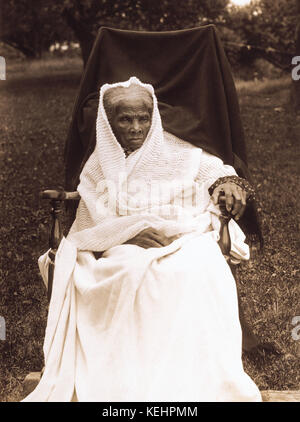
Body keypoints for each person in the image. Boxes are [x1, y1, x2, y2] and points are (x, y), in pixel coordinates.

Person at [23, 77, 262, 402]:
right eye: (125, 119)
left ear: (153, 117)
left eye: (143, 117)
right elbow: (92, 218)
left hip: (182, 233)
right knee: (125, 271)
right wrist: (130, 232)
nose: (136, 127)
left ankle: (185, 373)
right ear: (109, 122)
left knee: (193, 268)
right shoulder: (99, 163)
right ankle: (127, 376)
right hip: (118, 243)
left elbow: (213, 170)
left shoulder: (176, 147)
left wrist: (228, 183)